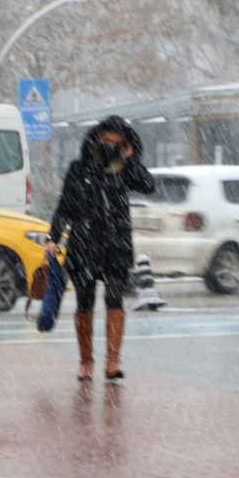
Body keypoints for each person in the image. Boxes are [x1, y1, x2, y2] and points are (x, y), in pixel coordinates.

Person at [46, 115, 155, 382]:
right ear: (96, 138)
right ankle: (86, 362)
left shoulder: (125, 170)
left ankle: (113, 361)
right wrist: (53, 237)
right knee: (85, 301)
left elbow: (149, 185)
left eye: (117, 143)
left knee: (115, 297)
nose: (110, 146)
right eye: (107, 140)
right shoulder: (79, 169)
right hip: (84, 241)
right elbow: (65, 206)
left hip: (116, 242)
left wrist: (130, 158)